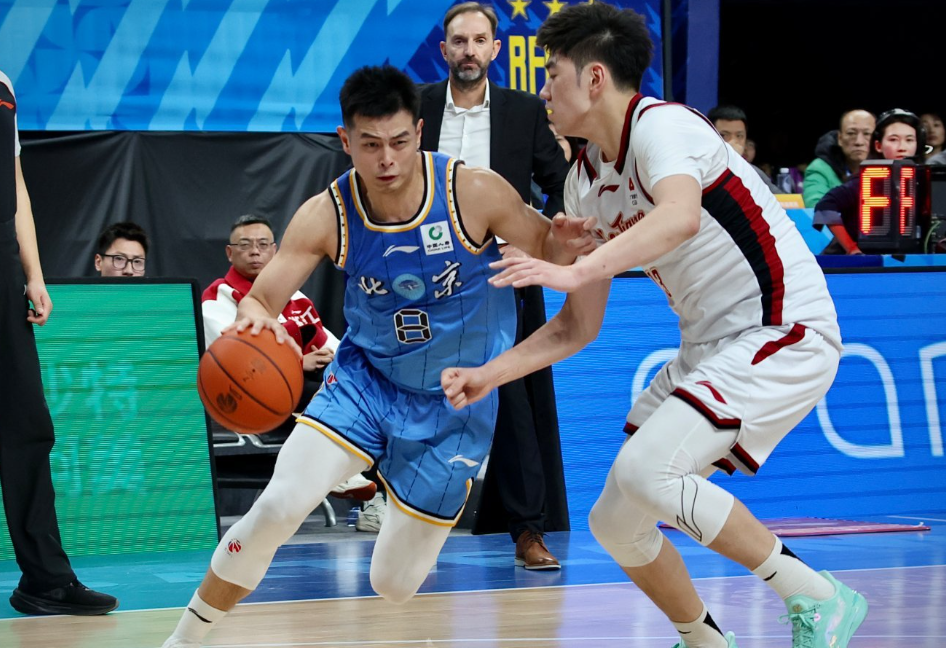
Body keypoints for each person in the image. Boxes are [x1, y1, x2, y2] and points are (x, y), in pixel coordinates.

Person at [441, 5, 867, 648]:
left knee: (649, 473)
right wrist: (488, 375)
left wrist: (573, 270)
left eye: (552, 74)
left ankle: (818, 595)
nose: (543, 90)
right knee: (615, 521)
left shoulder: (663, 125)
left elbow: (679, 217)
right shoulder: (584, 185)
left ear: (594, 79)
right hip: (708, 347)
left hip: (781, 325)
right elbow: (575, 330)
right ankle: (704, 640)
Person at [160, 64, 592, 648]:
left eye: (399, 142)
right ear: (346, 140)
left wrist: (566, 244)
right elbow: (261, 298)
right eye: (370, 145)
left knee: (392, 583)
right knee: (277, 508)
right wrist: (254, 319)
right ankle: (182, 642)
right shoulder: (327, 213)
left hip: (455, 400)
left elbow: (549, 247)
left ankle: (398, 485)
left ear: (419, 132)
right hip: (366, 383)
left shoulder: (474, 191)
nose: (387, 159)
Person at [419, 1, 570, 570]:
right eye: (459, 41)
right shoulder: (418, 107)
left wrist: (534, 239)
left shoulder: (523, 111)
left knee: (513, 400)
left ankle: (528, 530)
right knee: (418, 397)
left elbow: (562, 183)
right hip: (425, 277)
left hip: (502, 274)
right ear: (444, 50)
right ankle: (413, 528)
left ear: (495, 49)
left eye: (479, 40)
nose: (469, 51)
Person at [1, 69, 118, 616]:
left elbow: (15, 184)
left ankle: (45, 580)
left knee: (27, 425)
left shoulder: (3, 85)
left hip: (2, 266)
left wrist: (33, 273)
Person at [201, 214, 376, 503]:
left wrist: (342, 362)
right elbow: (235, 363)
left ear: (274, 250)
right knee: (323, 391)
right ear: (230, 253)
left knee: (358, 382)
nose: (255, 251)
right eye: (245, 245)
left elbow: (328, 342)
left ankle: (370, 491)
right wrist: (297, 364)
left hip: (300, 388)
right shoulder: (217, 299)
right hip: (248, 395)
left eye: (262, 244)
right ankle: (338, 470)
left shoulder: (295, 297)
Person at [814, 108, 926, 255]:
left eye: (909, 140)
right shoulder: (865, 180)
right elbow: (825, 207)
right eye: (893, 140)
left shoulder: (924, 181)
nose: (902, 147)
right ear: (878, 145)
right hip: (852, 264)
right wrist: (851, 248)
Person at [802, 109, 875, 207]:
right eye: (851, 133)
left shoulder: (887, 167)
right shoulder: (820, 169)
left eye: (867, 134)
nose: (859, 142)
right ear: (839, 138)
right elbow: (818, 209)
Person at [706, 105, 781, 193]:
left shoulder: (753, 172)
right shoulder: (701, 169)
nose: (733, 141)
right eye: (724, 135)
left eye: (739, 136)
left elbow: (780, 198)